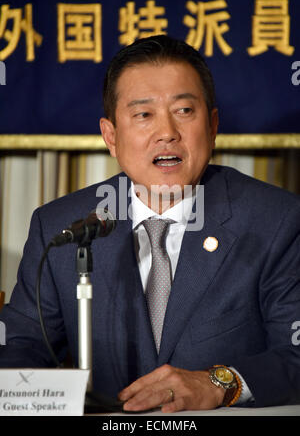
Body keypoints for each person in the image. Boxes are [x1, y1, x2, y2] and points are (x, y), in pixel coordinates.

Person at [0, 35, 299, 413]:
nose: (167, 132)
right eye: (144, 114)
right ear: (111, 136)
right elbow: (21, 347)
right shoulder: (63, 226)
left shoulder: (276, 220)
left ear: (213, 125)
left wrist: (222, 382)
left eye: (185, 111)